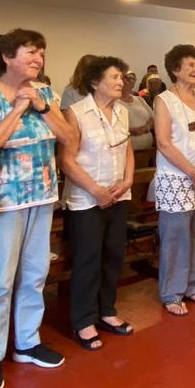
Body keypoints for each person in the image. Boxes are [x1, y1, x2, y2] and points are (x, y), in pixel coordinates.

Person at [0, 29, 74, 388]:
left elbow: (70, 139)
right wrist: (17, 109)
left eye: (41, 54)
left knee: (34, 274)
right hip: (4, 200)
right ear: (7, 57)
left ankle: (27, 343)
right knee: (0, 280)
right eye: (30, 52)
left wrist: (43, 107)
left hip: (43, 194)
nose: (38, 59)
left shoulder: (46, 92)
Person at [60, 56, 135, 345]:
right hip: (86, 198)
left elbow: (126, 149)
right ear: (95, 82)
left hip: (118, 194)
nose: (121, 82)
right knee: (88, 259)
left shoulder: (123, 112)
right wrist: (96, 189)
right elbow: (67, 160)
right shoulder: (76, 113)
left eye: (121, 77)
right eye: (114, 77)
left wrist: (128, 180)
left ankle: (107, 310)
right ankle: (83, 319)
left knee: (114, 255)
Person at [153, 45, 195, 312]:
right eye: (190, 65)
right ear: (175, 70)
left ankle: (194, 286)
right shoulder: (164, 100)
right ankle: (172, 292)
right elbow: (164, 143)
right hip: (177, 178)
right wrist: (192, 172)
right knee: (175, 236)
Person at [121, 73, 154, 155]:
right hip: (127, 151)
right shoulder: (113, 102)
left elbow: (153, 117)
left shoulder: (139, 100)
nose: (127, 82)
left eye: (130, 79)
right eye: (124, 79)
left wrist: (147, 126)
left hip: (148, 149)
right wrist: (131, 130)